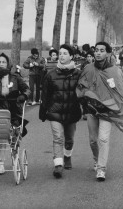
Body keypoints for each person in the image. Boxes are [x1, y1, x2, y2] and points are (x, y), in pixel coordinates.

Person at [76, 42, 123, 181]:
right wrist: (84, 99)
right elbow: (80, 87)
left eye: (102, 50)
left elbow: (121, 89)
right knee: (93, 140)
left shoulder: (115, 71)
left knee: (103, 139)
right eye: (97, 50)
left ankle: (101, 169)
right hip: (92, 109)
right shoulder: (88, 68)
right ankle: (96, 159)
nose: (98, 53)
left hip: (107, 110)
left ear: (107, 53)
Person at [0, 53, 30, 175]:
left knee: (14, 136)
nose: (1, 64)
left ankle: (15, 156)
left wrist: (23, 96)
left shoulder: (15, 78)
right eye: (0, 62)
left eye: (4, 62)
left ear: (8, 64)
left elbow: (27, 89)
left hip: (13, 111)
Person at [39, 44, 82, 179]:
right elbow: (45, 94)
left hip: (72, 111)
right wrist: (43, 111)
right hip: (55, 111)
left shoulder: (78, 74)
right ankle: (58, 164)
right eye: (60, 53)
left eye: (65, 53)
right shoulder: (51, 75)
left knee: (69, 139)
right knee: (58, 138)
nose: (61, 56)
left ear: (71, 56)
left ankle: (67, 156)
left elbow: (83, 93)